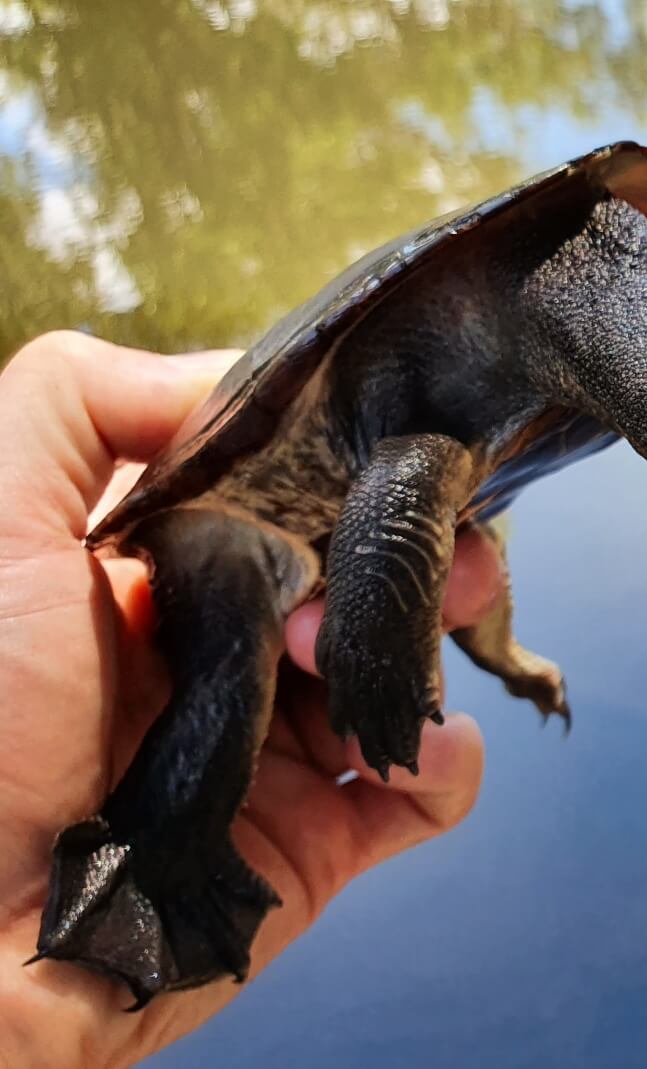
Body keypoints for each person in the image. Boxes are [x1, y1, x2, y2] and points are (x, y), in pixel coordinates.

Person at [0, 331, 495, 1065]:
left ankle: (135, 899)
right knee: (228, 676)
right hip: (223, 516)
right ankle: (147, 881)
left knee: (274, 662)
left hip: (309, 538)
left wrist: (36, 1028)